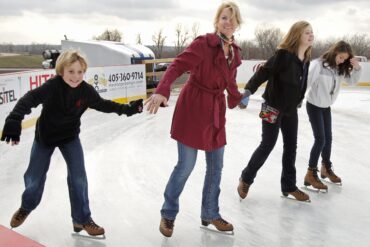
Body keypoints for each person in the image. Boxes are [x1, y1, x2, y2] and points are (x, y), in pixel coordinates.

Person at [0, 50, 143, 237]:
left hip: (69, 137)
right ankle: (26, 207)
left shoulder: (85, 90)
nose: (76, 77)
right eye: (71, 72)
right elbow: (29, 99)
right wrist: (14, 119)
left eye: (80, 72)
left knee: (79, 178)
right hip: (46, 137)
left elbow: (103, 104)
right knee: (34, 178)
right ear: (61, 71)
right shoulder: (52, 87)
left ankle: (81, 219)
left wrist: (128, 109)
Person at [145, 1, 243, 237]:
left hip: (215, 111)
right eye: (223, 17)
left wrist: (236, 97)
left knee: (216, 167)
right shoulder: (204, 44)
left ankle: (210, 212)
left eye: (232, 18)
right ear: (217, 21)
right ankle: (168, 214)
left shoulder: (234, 52)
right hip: (194, 107)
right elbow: (177, 66)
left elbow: (229, 81)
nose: (227, 22)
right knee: (186, 166)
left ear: (237, 24)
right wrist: (162, 90)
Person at [237, 21, 314, 202]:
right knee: (268, 144)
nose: (311, 35)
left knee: (291, 147)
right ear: (297, 35)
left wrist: (298, 100)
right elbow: (263, 73)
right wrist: (247, 92)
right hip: (271, 106)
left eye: (312, 32)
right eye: (307, 33)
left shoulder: (306, 60)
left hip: (290, 110)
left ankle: (289, 186)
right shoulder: (284, 55)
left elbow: (300, 85)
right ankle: (246, 178)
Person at [303, 41, 361, 190]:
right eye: (340, 57)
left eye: (344, 59)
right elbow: (307, 82)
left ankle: (325, 168)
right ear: (335, 52)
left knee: (328, 139)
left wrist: (357, 68)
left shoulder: (340, 68)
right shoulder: (319, 65)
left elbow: (352, 82)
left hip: (325, 107)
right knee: (320, 139)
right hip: (314, 105)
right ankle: (310, 173)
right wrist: (297, 100)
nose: (341, 61)